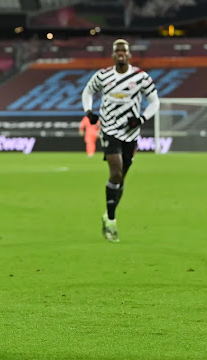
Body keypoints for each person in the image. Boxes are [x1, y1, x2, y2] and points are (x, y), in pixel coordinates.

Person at [82, 39, 159, 242]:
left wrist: (141, 118)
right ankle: (112, 221)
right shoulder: (103, 75)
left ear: (129, 54)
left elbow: (154, 102)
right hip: (109, 129)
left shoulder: (140, 77)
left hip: (130, 134)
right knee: (115, 171)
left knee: (121, 178)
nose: (121, 53)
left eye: (124, 50)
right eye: (117, 50)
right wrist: (88, 111)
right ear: (113, 55)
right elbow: (88, 91)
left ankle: (107, 215)